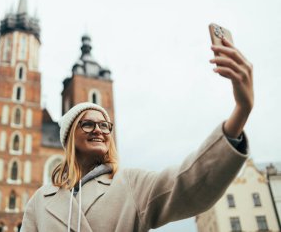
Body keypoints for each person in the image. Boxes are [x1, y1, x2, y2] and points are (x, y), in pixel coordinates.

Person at [20, 37, 253, 232]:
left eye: (105, 125)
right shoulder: (40, 201)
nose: (99, 130)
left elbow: (187, 183)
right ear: (70, 135)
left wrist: (241, 112)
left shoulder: (128, 183)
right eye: (89, 125)